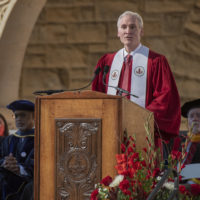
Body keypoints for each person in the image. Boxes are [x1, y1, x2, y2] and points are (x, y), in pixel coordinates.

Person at [92, 11, 181, 150]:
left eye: (133, 27)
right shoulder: (107, 62)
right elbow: (97, 95)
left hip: (142, 133)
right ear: (118, 32)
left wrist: (137, 118)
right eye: (124, 27)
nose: (128, 31)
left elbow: (165, 97)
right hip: (111, 133)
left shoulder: (156, 62)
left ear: (141, 31)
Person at [0, 100, 34, 200]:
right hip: (6, 179)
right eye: (16, 116)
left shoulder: (40, 140)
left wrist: (19, 169)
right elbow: (1, 157)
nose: (19, 119)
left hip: (28, 181)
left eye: (23, 115)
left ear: (34, 116)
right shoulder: (9, 140)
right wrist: (5, 163)